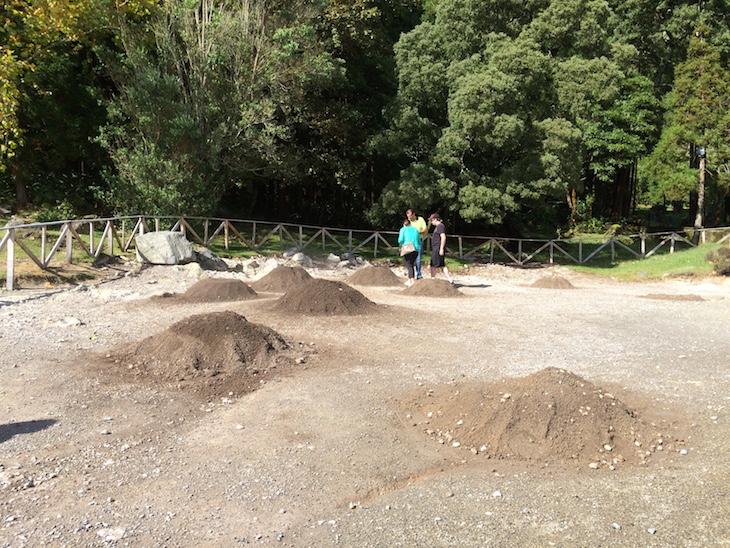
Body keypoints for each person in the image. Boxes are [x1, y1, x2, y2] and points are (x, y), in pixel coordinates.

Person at [428, 213, 454, 283]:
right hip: (437, 248)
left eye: (432, 220)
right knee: (442, 265)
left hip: (438, 248)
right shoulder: (438, 227)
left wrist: (441, 248)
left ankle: (433, 279)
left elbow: (443, 237)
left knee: (433, 264)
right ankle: (449, 279)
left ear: (436, 219)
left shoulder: (440, 226)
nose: (431, 221)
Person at [398, 218, 421, 286]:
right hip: (416, 249)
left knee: (409, 265)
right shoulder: (415, 230)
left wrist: (402, 243)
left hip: (408, 249)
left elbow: (400, 240)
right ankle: (409, 280)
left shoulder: (403, 229)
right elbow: (419, 240)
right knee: (412, 264)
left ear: (403, 224)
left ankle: (412, 282)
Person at [406, 209, 428, 279]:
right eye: (408, 217)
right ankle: (411, 275)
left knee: (418, 259)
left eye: (410, 216)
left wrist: (417, 232)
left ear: (413, 214)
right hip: (410, 242)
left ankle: (419, 274)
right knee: (410, 259)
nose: (409, 218)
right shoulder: (408, 222)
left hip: (418, 241)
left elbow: (425, 230)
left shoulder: (420, 219)